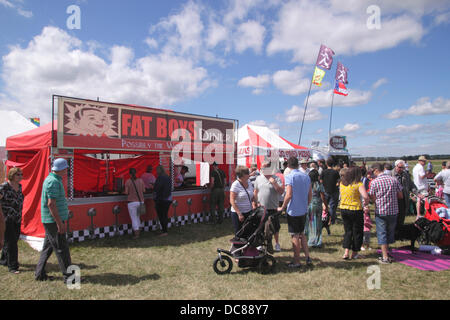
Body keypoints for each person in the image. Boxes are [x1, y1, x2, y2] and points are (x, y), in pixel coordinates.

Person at [35, 158, 73, 283]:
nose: (67, 170)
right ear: (61, 169)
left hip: (51, 220)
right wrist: (59, 223)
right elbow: (51, 204)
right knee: (61, 248)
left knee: (48, 247)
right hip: (54, 221)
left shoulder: (52, 179)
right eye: (66, 168)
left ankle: (39, 274)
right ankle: (69, 277)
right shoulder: (53, 182)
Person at [278, 157, 312, 268]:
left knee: (295, 236)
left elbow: (288, 195)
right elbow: (310, 193)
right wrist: (306, 204)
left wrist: (282, 207)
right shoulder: (306, 176)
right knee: (302, 234)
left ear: (288, 165)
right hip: (303, 209)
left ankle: (297, 261)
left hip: (293, 210)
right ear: (298, 164)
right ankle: (307, 257)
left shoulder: (290, 177)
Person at [368, 163, 403, 264]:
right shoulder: (394, 180)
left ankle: (385, 256)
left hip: (381, 210)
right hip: (393, 210)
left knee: (382, 233)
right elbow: (400, 195)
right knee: (389, 232)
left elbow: (372, 196)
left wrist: (377, 200)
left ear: (375, 170)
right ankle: (387, 251)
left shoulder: (375, 182)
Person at [339, 167, 370, 260]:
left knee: (348, 231)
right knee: (357, 232)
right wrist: (366, 203)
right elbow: (365, 196)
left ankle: (346, 252)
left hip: (344, 208)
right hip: (355, 209)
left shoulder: (342, 183)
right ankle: (355, 253)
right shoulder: (358, 184)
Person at [254, 161, 284, 252]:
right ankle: (261, 244)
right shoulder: (258, 178)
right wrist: (255, 203)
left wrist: (274, 182)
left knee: (275, 227)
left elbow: (281, 191)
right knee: (261, 226)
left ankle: (277, 243)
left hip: (273, 208)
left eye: (264, 168)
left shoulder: (276, 178)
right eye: (262, 168)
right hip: (261, 208)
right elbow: (256, 191)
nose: (262, 170)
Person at [0, 167, 24, 274]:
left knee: (13, 238)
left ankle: (4, 260)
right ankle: (13, 266)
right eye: (17, 174)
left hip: (17, 217)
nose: (20, 176)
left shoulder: (20, 186)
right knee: (11, 242)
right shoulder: (4, 187)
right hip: (6, 218)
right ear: (12, 175)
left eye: (21, 174)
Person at [391, 160, 417, 233]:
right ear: (395, 166)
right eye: (400, 167)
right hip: (394, 200)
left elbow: (411, 185)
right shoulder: (390, 174)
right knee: (394, 217)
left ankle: (399, 231)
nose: (402, 169)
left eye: (403, 167)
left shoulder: (405, 174)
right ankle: (393, 232)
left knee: (401, 216)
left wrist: (417, 193)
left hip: (403, 198)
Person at [230, 166, 257, 234]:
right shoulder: (235, 185)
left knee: (249, 232)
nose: (249, 174)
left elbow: (252, 195)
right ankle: (237, 245)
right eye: (248, 173)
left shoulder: (249, 182)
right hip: (238, 214)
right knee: (239, 233)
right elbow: (232, 200)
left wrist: (254, 203)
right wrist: (239, 214)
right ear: (242, 175)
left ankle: (247, 245)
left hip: (249, 211)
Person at [305, 169, 327, 248]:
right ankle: (317, 241)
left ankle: (310, 240)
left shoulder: (307, 185)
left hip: (309, 205)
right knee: (318, 224)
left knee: (310, 223)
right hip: (317, 204)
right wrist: (325, 205)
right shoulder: (319, 184)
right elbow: (322, 196)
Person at [124, 168, 146, 239]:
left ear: (129, 174)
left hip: (132, 203)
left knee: (134, 218)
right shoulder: (141, 180)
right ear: (136, 173)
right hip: (140, 202)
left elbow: (126, 192)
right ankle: (139, 229)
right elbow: (144, 190)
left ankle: (137, 234)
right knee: (137, 217)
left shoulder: (128, 181)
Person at [153, 166, 172, 237]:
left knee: (162, 215)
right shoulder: (167, 177)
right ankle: (164, 230)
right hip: (168, 199)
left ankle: (164, 231)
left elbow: (157, 188)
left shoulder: (160, 178)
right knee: (164, 215)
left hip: (162, 199)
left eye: (157, 170)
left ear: (159, 171)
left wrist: (154, 186)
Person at [321, 158, 340, 225]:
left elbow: (321, 181)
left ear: (326, 164)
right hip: (334, 191)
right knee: (332, 207)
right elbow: (338, 182)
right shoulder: (336, 172)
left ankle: (324, 218)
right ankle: (331, 220)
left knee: (324, 206)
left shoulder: (323, 172)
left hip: (325, 190)